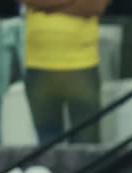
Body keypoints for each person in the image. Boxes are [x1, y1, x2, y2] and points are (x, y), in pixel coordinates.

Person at [22, 0, 111, 143]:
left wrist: (44, 7)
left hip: (83, 65)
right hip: (39, 66)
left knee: (86, 143)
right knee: (47, 146)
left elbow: (96, 5)